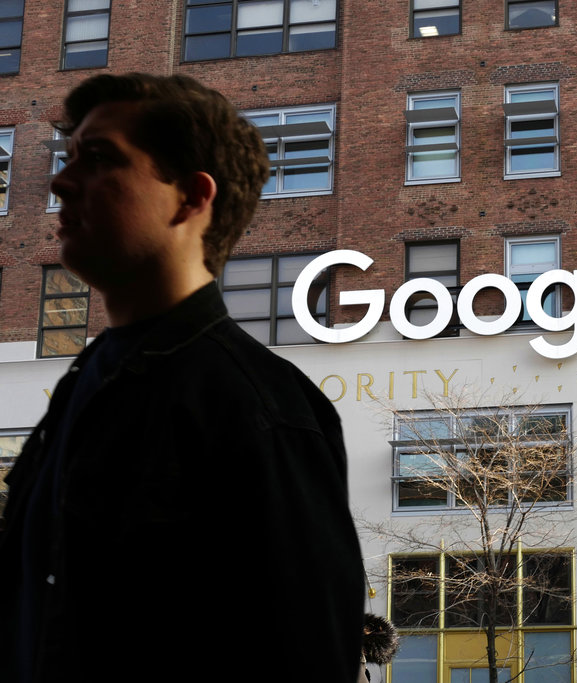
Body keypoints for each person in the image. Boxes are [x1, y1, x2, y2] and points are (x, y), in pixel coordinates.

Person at [0, 74, 365, 682]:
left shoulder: (257, 406)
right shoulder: (88, 381)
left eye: (98, 160)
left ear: (192, 198)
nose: (61, 182)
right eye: (69, 160)